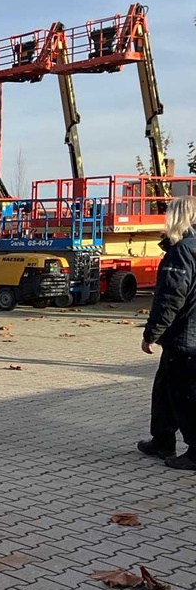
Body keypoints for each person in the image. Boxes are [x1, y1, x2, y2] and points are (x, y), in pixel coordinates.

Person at [137, 196, 196, 470]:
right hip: (186, 336)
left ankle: (194, 451)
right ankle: (161, 439)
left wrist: (152, 333)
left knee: (184, 395)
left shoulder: (182, 252)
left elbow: (171, 297)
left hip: (185, 337)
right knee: (164, 389)